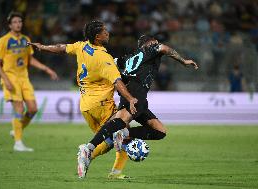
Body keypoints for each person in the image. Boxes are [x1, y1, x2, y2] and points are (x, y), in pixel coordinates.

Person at [77, 34, 199, 179]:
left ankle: (122, 135)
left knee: (160, 131)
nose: (157, 43)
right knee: (120, 120)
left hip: (132, 93)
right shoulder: (150, 49)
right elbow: (164, 48)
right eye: (155, 42)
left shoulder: (127, 58)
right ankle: (89, 147)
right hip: (136, 94)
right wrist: (183, 61)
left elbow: (110, 63)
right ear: (150, 43)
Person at [28, 20, 138, 179]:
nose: (108, 33)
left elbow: (61, 48)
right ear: (97, 36)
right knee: (124, 133)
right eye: (104, 31)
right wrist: (130, 98)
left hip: (86, 106)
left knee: (106, 142)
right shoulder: (103, 57)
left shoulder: (81, 46)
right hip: (102, 105)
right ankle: (108, 167)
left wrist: (43, 47)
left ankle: (87, 156)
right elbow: (117, 82)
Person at [0, 12, 59, 152]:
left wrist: (47, 69)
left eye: (20, 21)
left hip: (24, 78)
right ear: (10, 25)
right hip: (10, 77)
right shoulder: (4, 40)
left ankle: (17, 129)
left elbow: (31, 60)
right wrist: (5, 80)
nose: (18, 24)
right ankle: (18, 143)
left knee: (33, 109)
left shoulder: (26, 39)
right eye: (15, 22)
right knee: (19, 109)